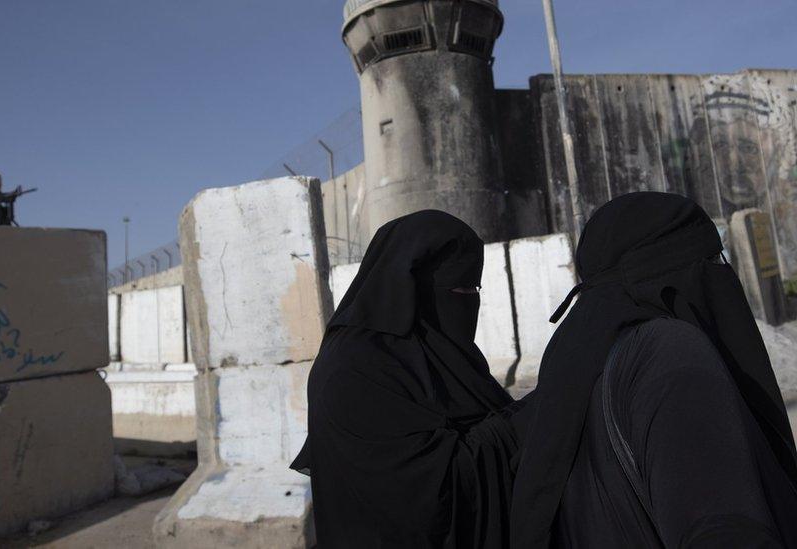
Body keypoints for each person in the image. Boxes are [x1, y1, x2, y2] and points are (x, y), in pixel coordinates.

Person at [510, 192, 797, 548]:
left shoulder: (574, 361)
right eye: (712, 260)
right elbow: (725, 528)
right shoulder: (670, 354)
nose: (722, 274)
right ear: (678, 270)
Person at [291, 210, 522, 548]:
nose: (470, 301)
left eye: (475, 288)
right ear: (415, 289)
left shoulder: (442, 355)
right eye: (461, 289)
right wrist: (520, 426)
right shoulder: (355, 370)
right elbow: (423, 492)